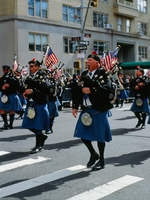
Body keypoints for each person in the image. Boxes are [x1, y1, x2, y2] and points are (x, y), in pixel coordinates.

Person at [72, 54, 114, 171]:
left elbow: (107, 89)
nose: (88, 62)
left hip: (98, 109)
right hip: (86, 109)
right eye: (87, 60)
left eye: (90, 60)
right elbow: (78, 91)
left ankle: (101, 160)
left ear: (97, 62)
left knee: (100, 136)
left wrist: (91, 90)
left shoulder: (103, 73)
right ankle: (93, 154)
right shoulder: (85, 74)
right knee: (82, 134)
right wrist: (75, 106)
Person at [22, 58, 51, 154]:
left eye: (32, 66)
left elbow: (47, 87)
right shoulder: (29, 77)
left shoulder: (42, 75)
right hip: (31, 104)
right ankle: (42, 136)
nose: (30, 68)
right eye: (29, 66)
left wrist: (33, 90)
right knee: (28, 124)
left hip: (40, 103)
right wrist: (24, 93)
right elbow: (24, 87)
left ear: (37, 67)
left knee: (38, 126)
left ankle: (38, 145)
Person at [0, 65, 22, 129]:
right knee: (2, 109)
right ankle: (6, 123)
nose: (4, 71)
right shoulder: (3, 77)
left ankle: (11, 124)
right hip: (4, 95)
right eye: (3, 70)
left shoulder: (13, 77)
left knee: (11, 110)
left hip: (12, 94)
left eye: (5, 70)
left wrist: (9, 85)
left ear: (9, 70)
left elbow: (18, 85)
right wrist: (2, 87)